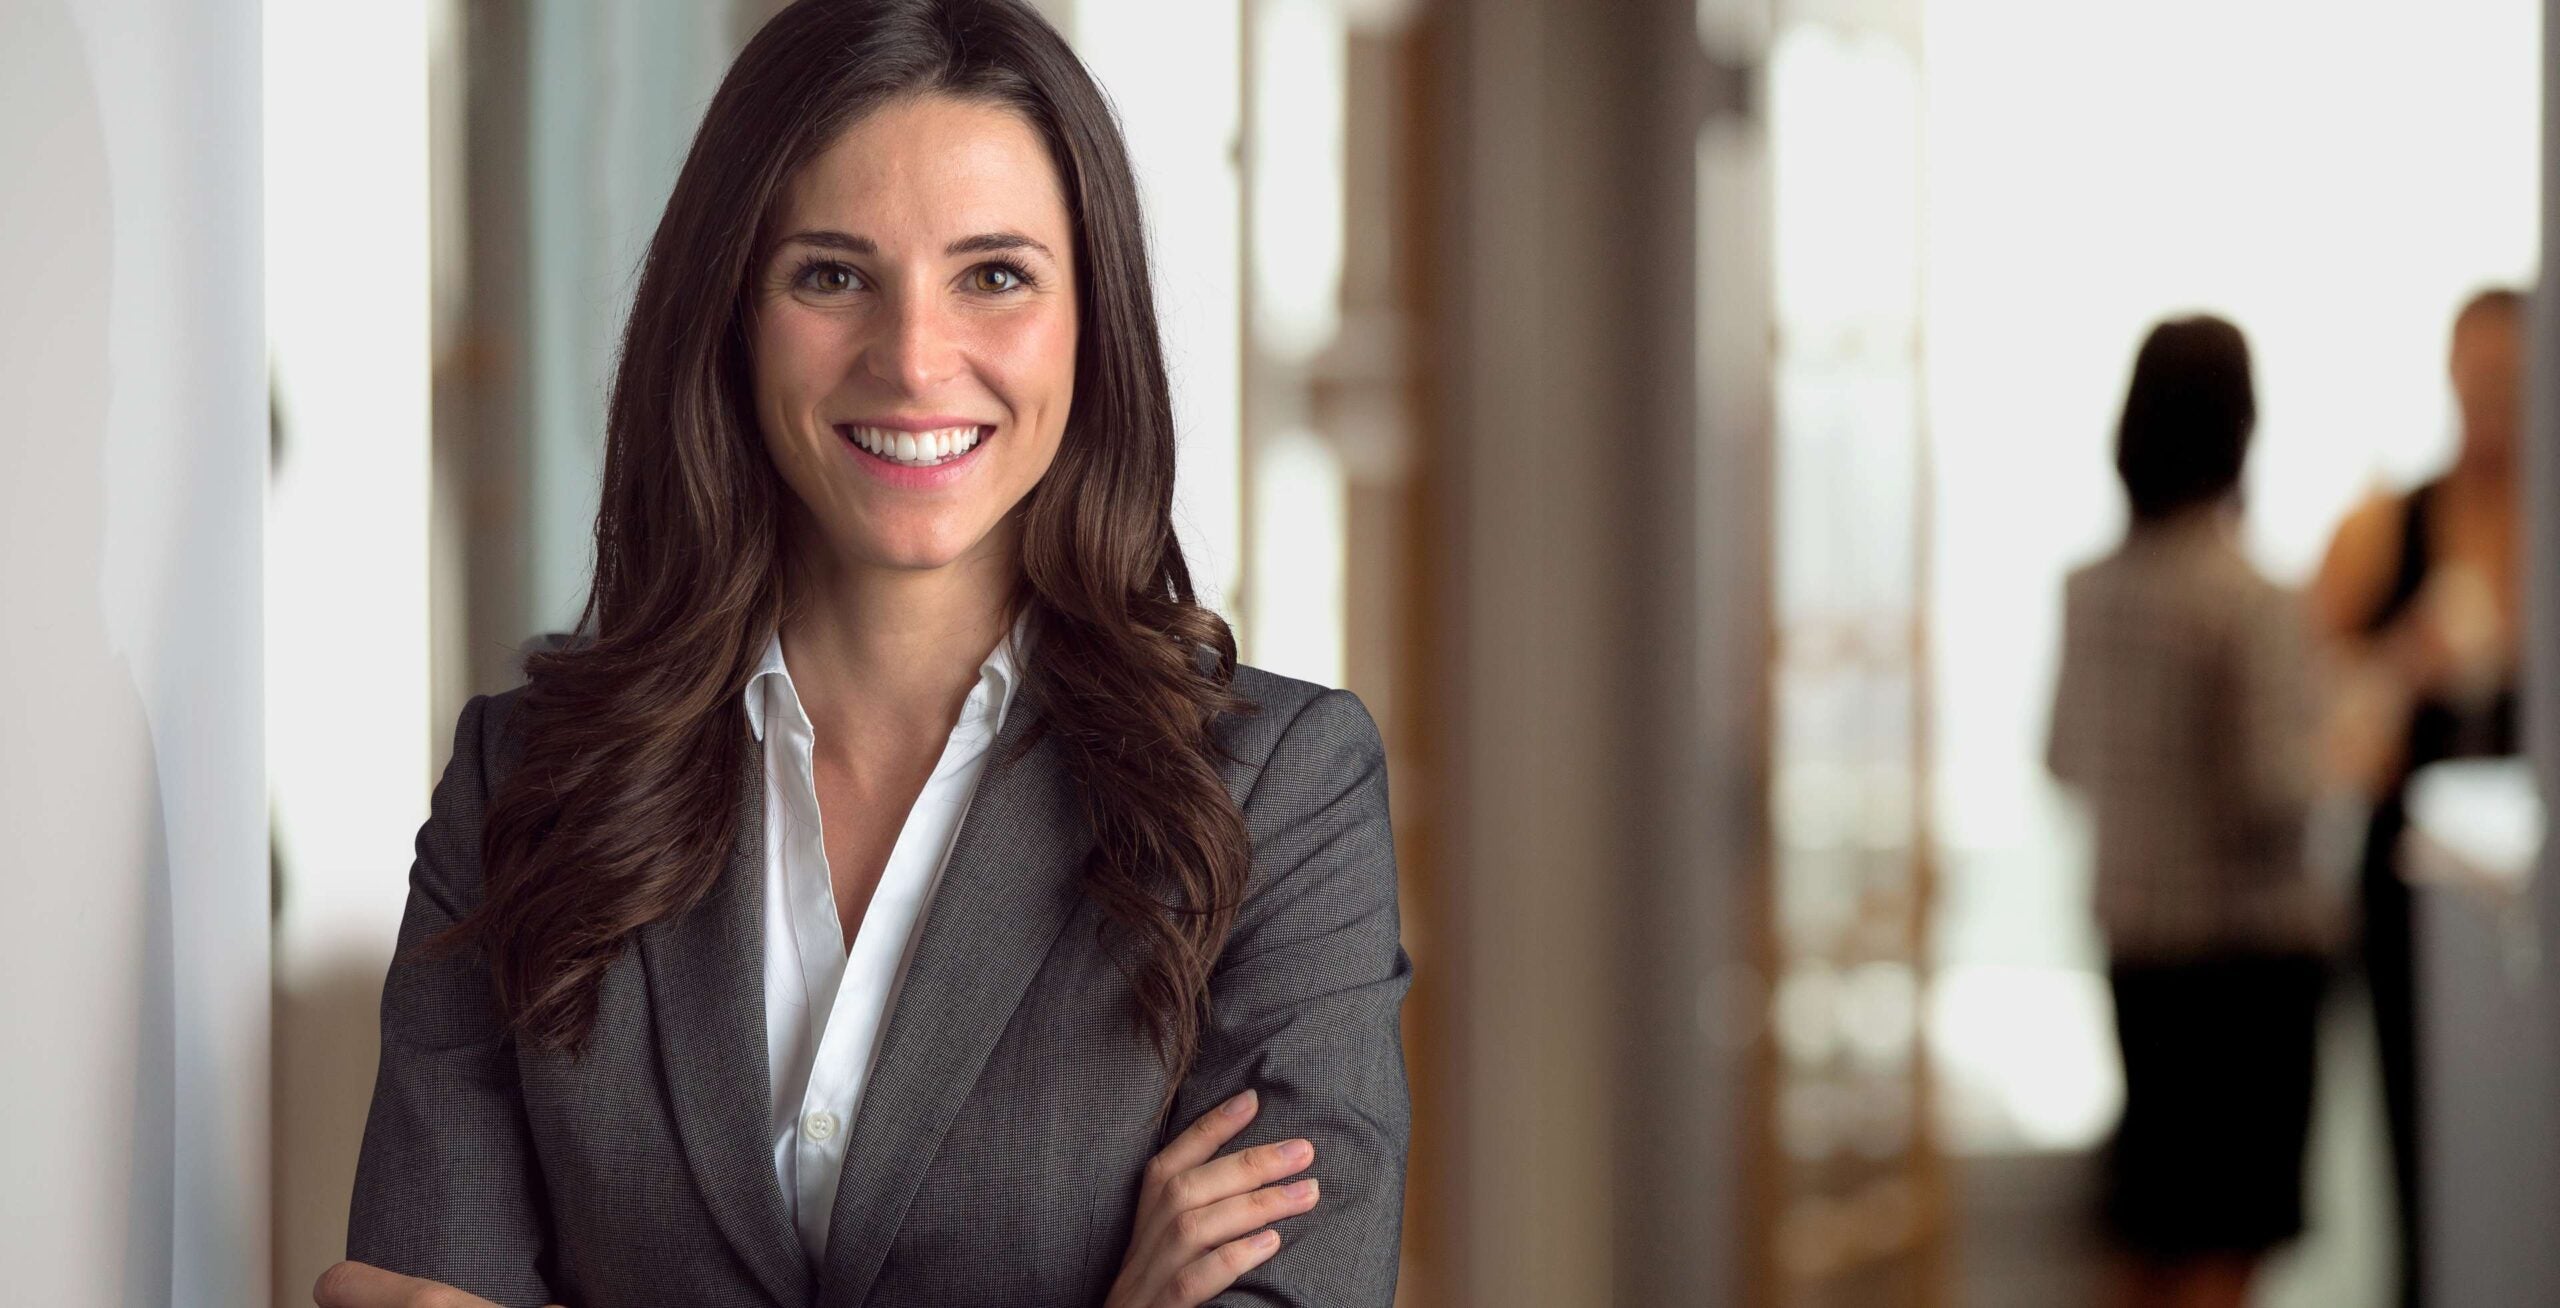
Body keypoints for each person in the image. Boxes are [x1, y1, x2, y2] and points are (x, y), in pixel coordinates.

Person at [313, 2, 1412, 1305]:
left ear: (1090, 317)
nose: (912, 358)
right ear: (731, 311)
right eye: (832, 274)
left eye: (995, 275)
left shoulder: (1277, 796)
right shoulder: (522, 787)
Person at [2048, 315, 2332, 1308]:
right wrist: (2347, 739)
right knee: (2225, 1241)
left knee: (2151, 1227)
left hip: (2138, 954)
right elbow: (2272, 789)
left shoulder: (2088, 591)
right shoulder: (2247, 599)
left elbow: (2058, 759)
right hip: (2242, 966)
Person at [2307, 286, 2526, 1308]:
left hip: (2530, 885)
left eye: (2513, 379)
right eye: (2478, 375)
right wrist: (2404, 667)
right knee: (2422, 1146)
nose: (2494, 399)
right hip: (2414, 894)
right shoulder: (2383, 527)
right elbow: (2309, 723)